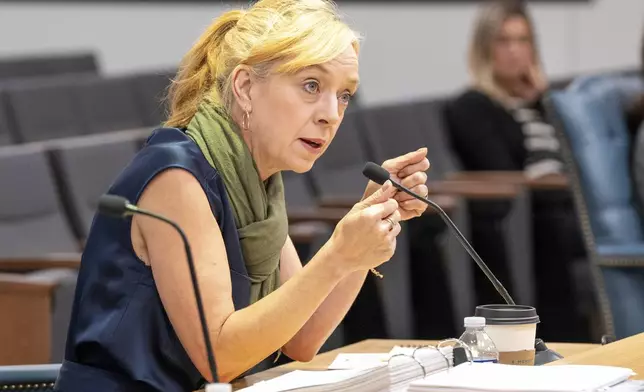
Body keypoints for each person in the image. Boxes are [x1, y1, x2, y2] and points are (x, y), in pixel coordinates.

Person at [54, 1, 431, 391]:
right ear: (246, 87)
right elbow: (220, 358)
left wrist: (370, 217)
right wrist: (339, 253)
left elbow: (302, 338)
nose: (331, 114)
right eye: (312, 86)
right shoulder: (175, 176)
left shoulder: (257, 182)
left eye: (344, 95)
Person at [445, 0, 589, 342]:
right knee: (562, 228)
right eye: (503, 41)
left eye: (523, 41)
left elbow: (581, 154)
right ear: (484, 48)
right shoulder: (472, 106)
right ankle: (568, 341)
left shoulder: (541, 103)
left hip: (566, 208)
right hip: (524, 216)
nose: (515, 51)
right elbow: (500, 169)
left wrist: (544, 100)